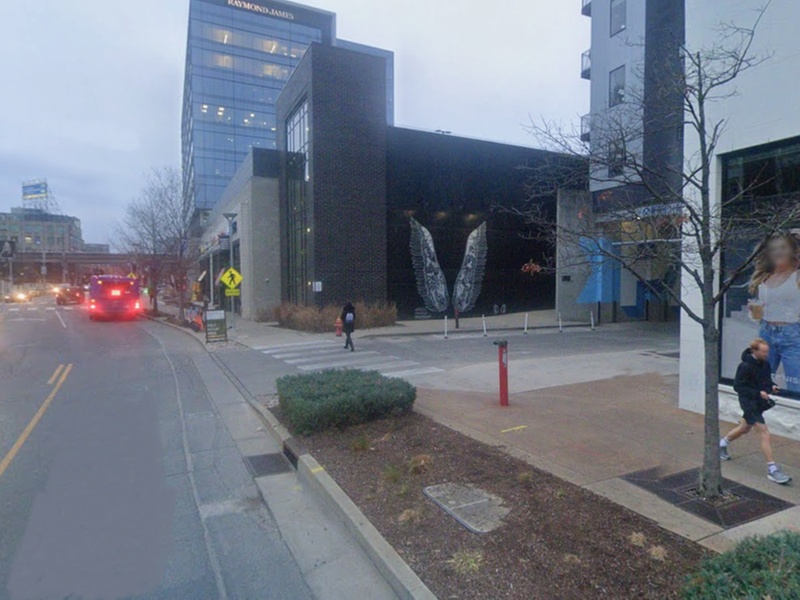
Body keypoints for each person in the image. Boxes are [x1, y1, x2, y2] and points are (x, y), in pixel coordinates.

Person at [720, 338, 792, 485]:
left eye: (767, 351)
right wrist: (758, 393)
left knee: (744, 428)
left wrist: (772, 386)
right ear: (755, 351)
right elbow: (738, 387)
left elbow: (766, 380)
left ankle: (721, 444)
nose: (766, 354)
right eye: (763, 351)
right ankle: (772, 470)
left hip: (758, 402)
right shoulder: (745, 366)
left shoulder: (765, 364)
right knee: (765, 432)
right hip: (749, 403)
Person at [747, 232, 800, 392]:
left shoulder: (797, 276)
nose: (778, 252)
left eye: (783, 247)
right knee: (760, 381)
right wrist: (754, 312)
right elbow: (759, 312)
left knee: (795, 386)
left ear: (792, 250)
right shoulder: (764, 277)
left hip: (792, 334)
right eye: (773, 248)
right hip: (765, 332)